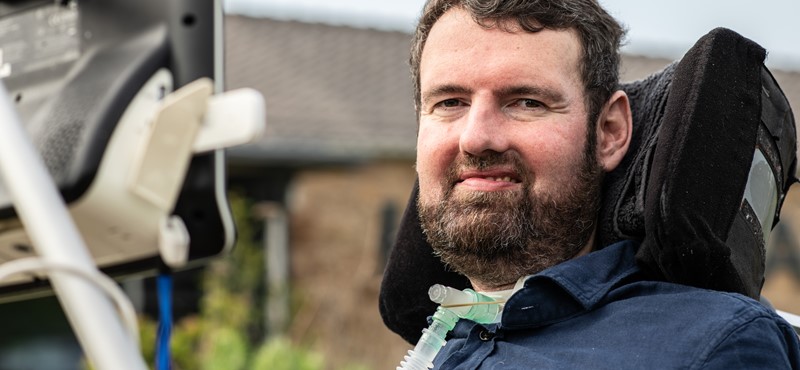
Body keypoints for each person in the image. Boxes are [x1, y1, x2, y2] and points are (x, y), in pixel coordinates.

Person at [404, 0, 800, 368]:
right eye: (450, 102)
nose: (475, 139)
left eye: (527, 102)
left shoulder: (713, 346)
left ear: (609, 131)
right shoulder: (448, 340)